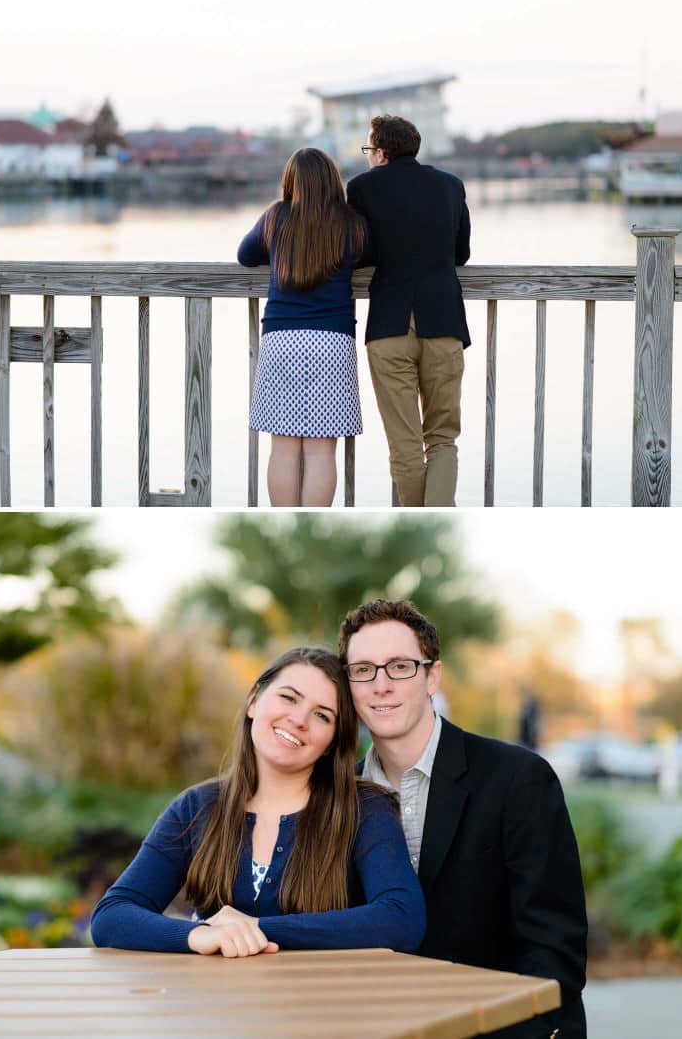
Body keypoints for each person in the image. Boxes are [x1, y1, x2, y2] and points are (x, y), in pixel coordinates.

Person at [340, 600, 586, 1038]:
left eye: (399, 666)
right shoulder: (338, 797)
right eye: (363, 669)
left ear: (432, 675)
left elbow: (553, 949)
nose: (380, 685)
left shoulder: (518, 779)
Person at [90, 647, 425, 957]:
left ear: (331, 743)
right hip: (219, 1013)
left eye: (322, 716)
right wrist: (201, 935)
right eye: (288, 698)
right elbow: (112, 916)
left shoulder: (364, 810)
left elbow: (401, 919)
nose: (299, 719)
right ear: (254, 702)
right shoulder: (197, 808)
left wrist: (256, 928)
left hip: (324, 1010)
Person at [346, 115, 472, 507]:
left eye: (369, 150)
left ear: (380, 152)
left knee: (404, 444)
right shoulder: (451, 186)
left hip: (389, 325)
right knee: (442, 438)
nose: (368, 157)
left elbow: (360, 251)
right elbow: (462, 254)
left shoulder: (361, 188)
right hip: (444, 321)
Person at [238, 148, 372, 507]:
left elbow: (245, 255)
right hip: (332, 340)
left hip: (282, 339)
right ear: (332, 181)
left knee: (282, 449)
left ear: (290, 181)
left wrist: (284, 249)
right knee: (321, 452)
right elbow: (369, 254)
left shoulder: (277, 216)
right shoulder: (351, 223)